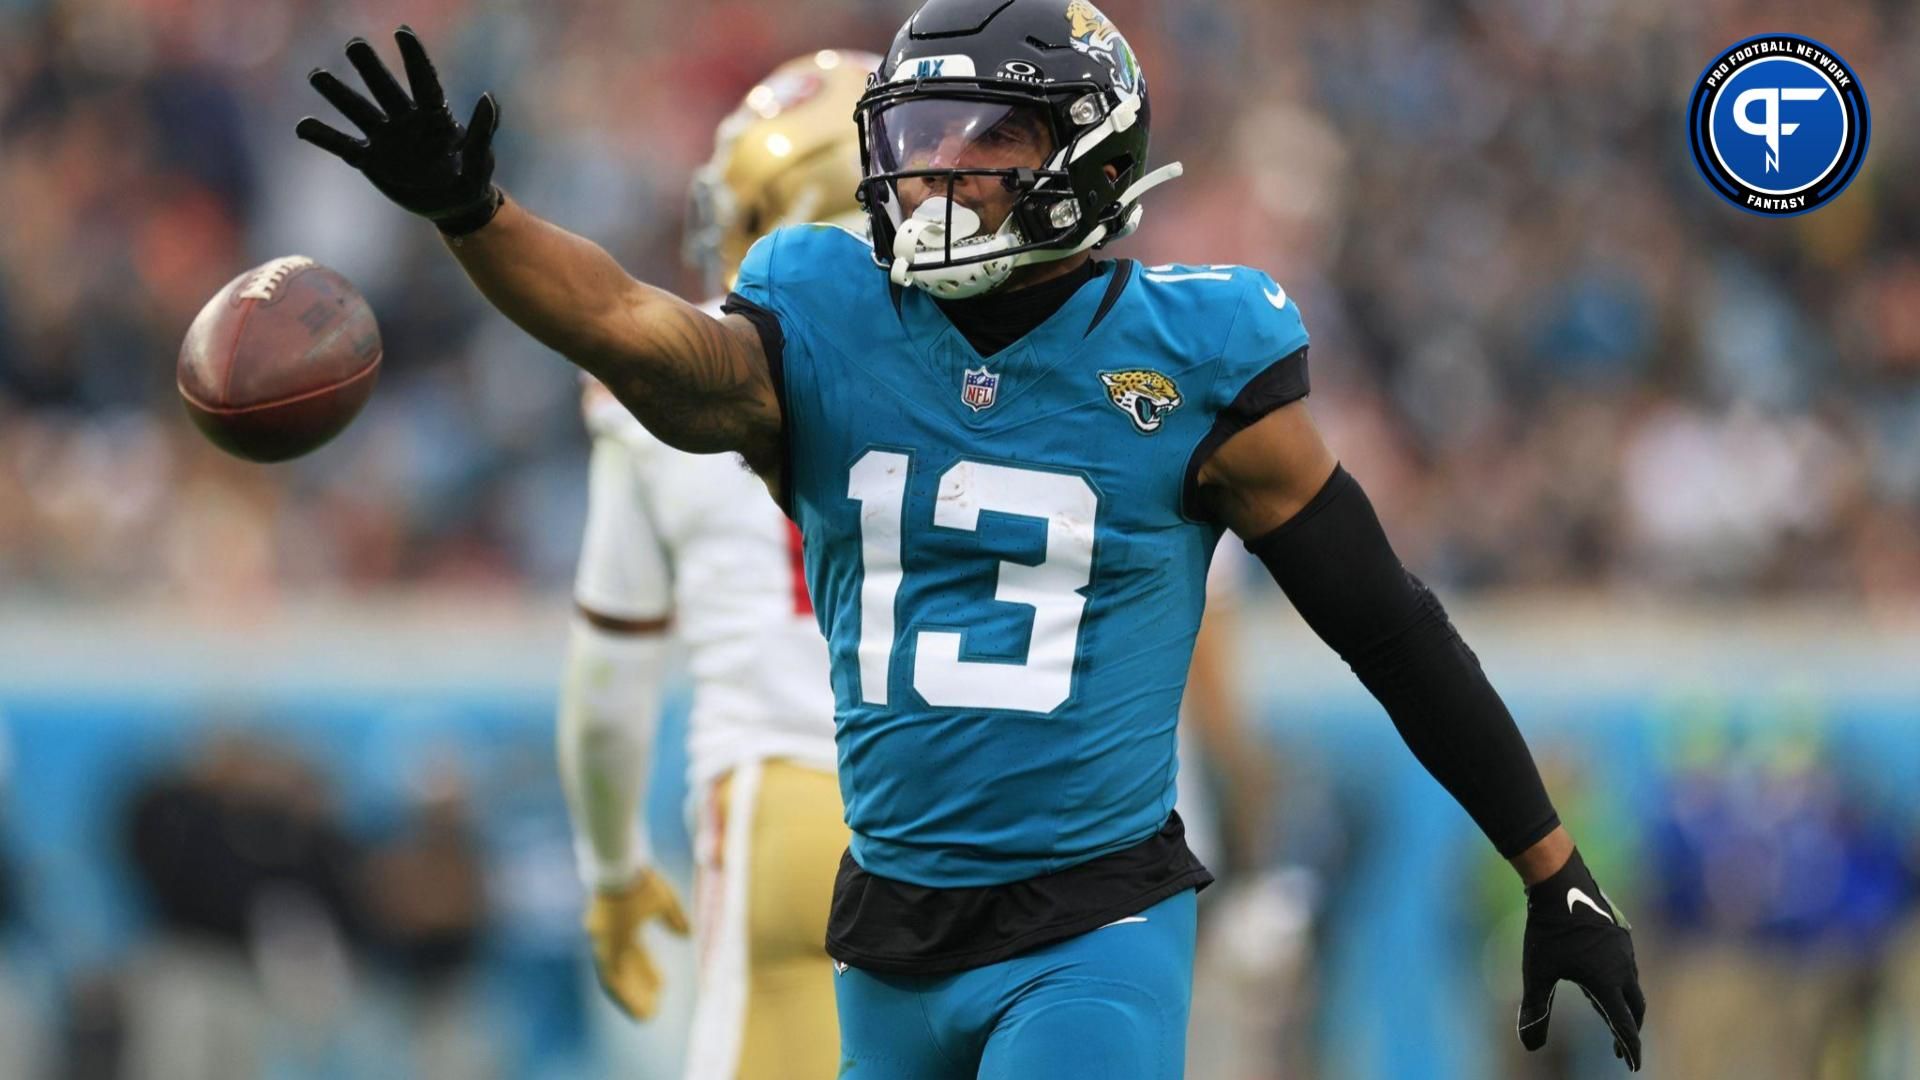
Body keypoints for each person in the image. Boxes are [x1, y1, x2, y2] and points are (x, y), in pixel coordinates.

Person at [295, 2, 1647, 1074]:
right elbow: (631, 331)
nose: (933, 172)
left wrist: (1551, 864)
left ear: (1086, 159)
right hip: (883, 925)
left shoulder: (1195, 358)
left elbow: (1385, 621)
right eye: (918, 136)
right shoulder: (822, 311)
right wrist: (478, 217)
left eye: (982, 142)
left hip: (1088, 923)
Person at [551, 50, 873, 1080]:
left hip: (779, 793)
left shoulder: (662, 399)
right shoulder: (1000, 365)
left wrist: (611, 870)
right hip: (980, 808)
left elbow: (608, 688)